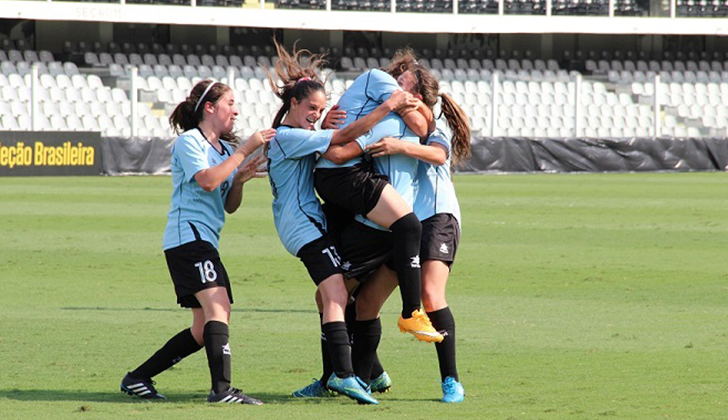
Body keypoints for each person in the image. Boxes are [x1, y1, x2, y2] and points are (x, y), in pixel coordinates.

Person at [265, 41, 417, 405]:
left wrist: (331, 114)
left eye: (320, 109)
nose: (315, 115)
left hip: (307, 224)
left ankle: (363, 372)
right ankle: (344, 375)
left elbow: (327, 138)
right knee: (334, 295)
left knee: (328, 297)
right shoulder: (289, 137)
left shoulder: (294, 134)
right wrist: (387, 108)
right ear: (293, 105)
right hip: (303, 227)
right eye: (311, 109)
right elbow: (340, 143)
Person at [120, 80, 275, 405]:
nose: (235, 110)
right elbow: (207, 181)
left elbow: (228, 205)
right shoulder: (190, 141)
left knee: (203, 328)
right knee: (220, 308)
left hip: (201, 240)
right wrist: (245, 150)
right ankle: (222, 391)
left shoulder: (223, 150)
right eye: (230, 102)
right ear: (210, 108)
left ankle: (137, 378)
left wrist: (240, 181)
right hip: (188, 239)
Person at [354, 64, 472, 403]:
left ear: (417, 96)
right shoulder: (391, 120)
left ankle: (451, 381)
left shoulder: (433, 124)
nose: (393, 86)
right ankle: (362, 379)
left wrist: (398, 147)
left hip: (437, 217)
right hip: (403, 224)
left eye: (401, 82)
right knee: (366, 301)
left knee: (431, 294)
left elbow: (438, 155)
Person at [313, 50, 444, 343]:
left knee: (351, 300)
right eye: (403, 80)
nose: (402, 87)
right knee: (408, 227)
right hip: (347, 184)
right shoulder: (384, 92)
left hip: (360, 198)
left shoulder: (392, 116)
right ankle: (411, 313)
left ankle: (362, 373)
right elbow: (339, 154)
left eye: (408, 86)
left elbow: (426, 127)